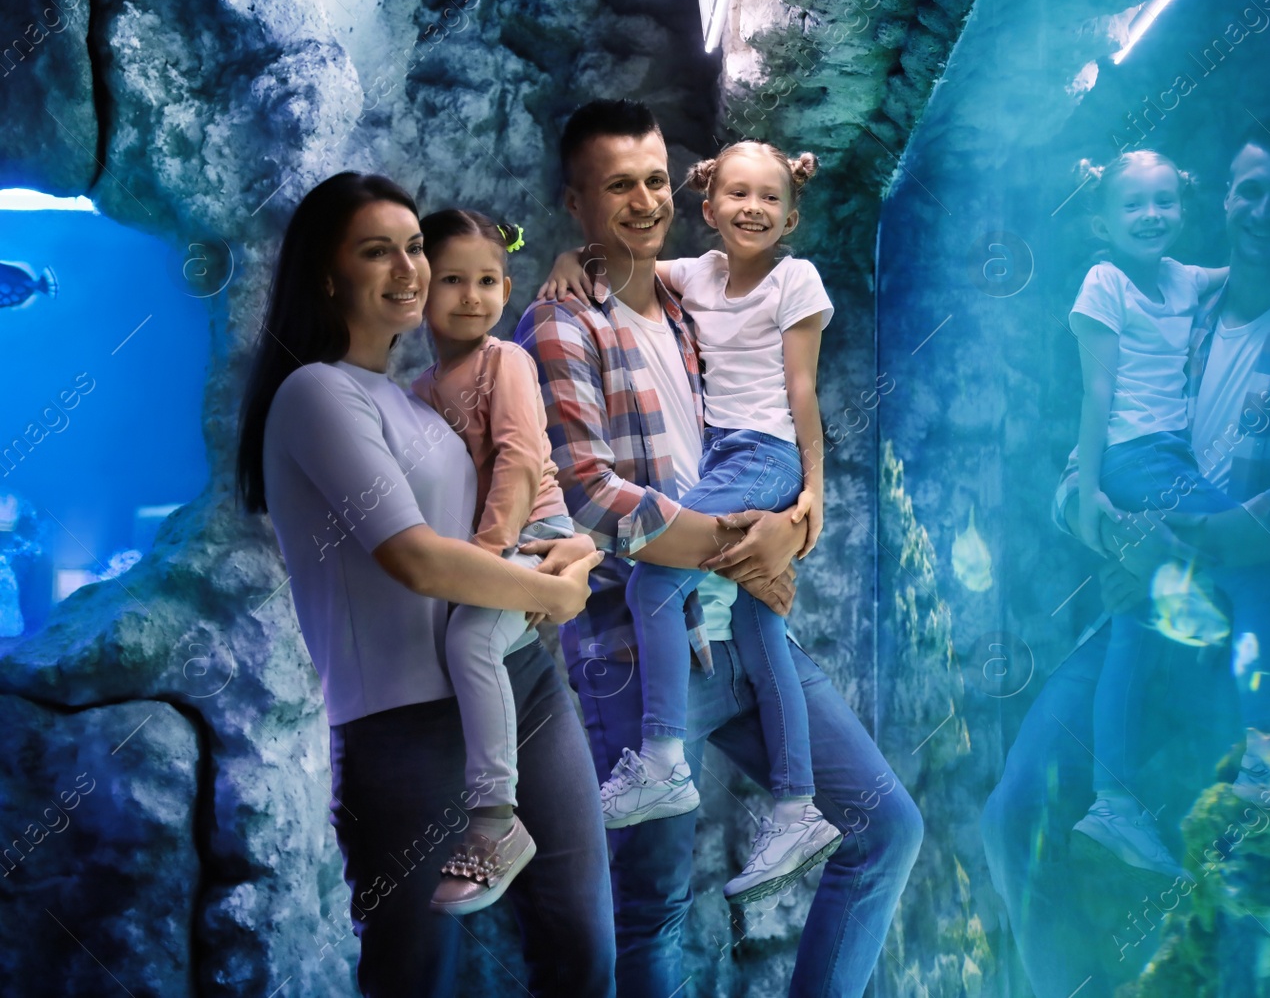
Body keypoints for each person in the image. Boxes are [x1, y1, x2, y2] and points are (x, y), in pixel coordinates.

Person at [517, 99, 922, 997]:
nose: (644, 198)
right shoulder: (555, 326)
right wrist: (750, 552)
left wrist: (796, 527)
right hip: (635, 647)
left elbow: (770, 432)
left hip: (735, 630)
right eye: (617, 185)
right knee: (652, 908)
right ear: (575, 202)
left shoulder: (688, 294)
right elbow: (593, 493)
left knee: (885, 827)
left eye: (656, 177)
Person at [981, 115, 1270, 991]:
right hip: (1138, 603)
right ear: (1225, 200)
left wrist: (1202, 536)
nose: (1265, 209)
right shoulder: (1175, 299)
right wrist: (1097, 521)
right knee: (1017, 814)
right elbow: (1085, 465)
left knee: (1234, 885)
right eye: (1250, 190)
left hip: (1250, 634)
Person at [236, 172, 614, 996]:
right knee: (414, 974)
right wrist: (551, 595)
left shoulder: (418, 399)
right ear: (325, 275)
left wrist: (570, 550)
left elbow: (518, 486)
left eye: (415, 247)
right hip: (400, 724)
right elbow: (410, 555)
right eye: (379, 251)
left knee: (583, 942)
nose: (410, 268)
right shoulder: (315, 392)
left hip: (519, 684)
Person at [538, 140, 842, 904]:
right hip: (721, 459)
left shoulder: (795, 279)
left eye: (770, 199)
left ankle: (664, 758)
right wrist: (574, 257)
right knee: (760, 627)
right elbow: (626, 261)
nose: (753, 209)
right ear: (707, 208)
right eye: (736, 195)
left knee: (650, 583)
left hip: (764, 455)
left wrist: (813, 494)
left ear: (792, 213)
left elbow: (803, 393)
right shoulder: (695, 276)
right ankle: (797, 806)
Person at [1065, 148, 1270, 878]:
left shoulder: (1185, 280)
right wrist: (1089, 490)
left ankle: (1113, 802)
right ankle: (1263, 755)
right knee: (1257, 561)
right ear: (1103, 219)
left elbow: (1249, 269)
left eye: (1165, 201)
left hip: (1169, 461)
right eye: (1133, 204)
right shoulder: (1104, 283)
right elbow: (1095, 396)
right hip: (1134, 460)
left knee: (1138, 621)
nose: (1151, 215)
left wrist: (1266, 227)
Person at [406, 207, 583, 915]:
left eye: (486, 280)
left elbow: (518, 459)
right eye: (452, 280)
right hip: (483, 548)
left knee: (472, 637)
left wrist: (484, 560)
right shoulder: (418, 392)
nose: (471, 296)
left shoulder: (505, 360)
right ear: (418, 285)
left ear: (506, 289)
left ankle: (495, 819)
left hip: (532, 532)